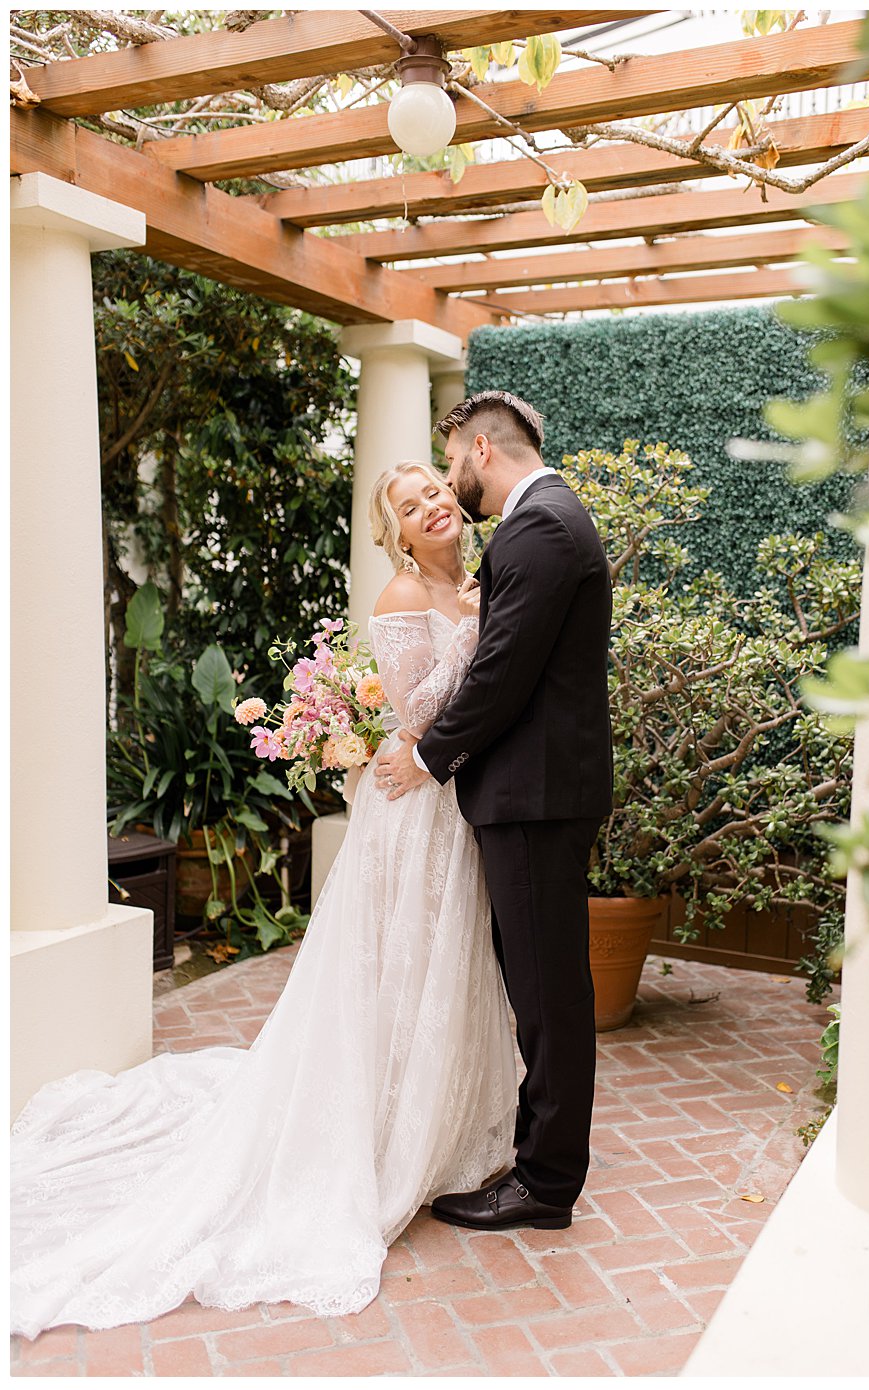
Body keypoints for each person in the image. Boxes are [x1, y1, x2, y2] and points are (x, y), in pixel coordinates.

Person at [12, 461, 518, 1337]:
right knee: (399, 966)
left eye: (435, 491)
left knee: (447, 961)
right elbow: (415, 710)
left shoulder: (476, 579)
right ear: (397, 533)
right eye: (409, 506)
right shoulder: (405, 594)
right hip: (412, 812)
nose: (431, 506)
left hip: (457, 807)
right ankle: (381, 1134)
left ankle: (440, 1125)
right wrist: (474, 629)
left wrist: (478, 614)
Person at [370, 389, 613, 1232]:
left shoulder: (537, 526)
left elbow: (503, 670)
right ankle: (537, 1155)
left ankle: (545, 1183)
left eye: (448, 466)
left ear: (480, 449)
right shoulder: (545, 518)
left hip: (536, 797)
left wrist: (426, 756)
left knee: (548, 997)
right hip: (533, 792)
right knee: (541, 990)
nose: (449, 486)